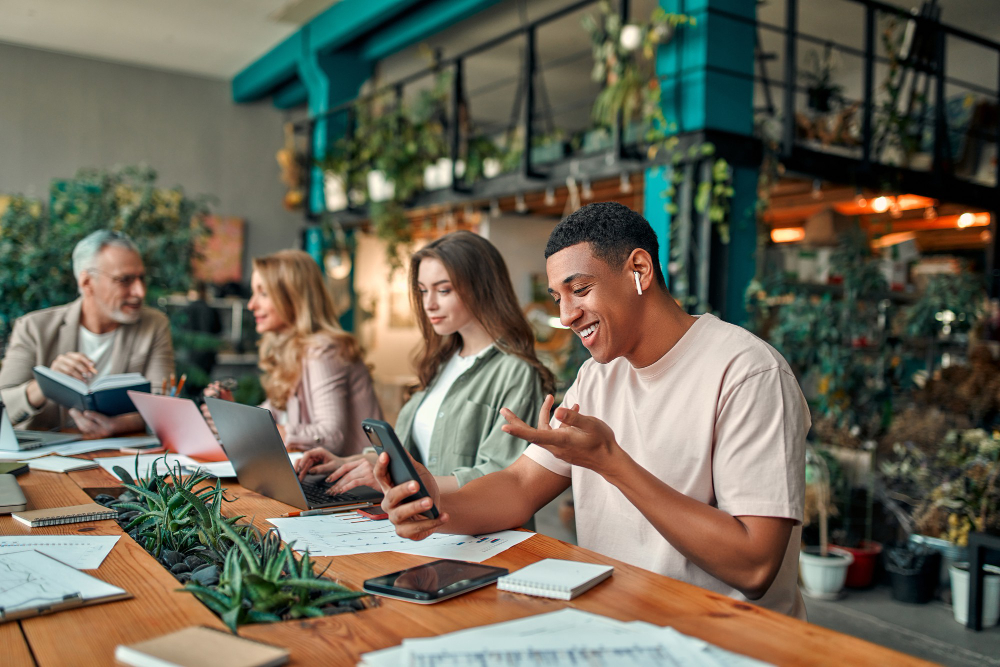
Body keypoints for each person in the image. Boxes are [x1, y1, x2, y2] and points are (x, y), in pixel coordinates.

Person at [374, 202, 810, 619]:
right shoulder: (597, 377)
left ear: (639, 270)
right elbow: (521, 486)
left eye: (579, 289)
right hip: (613, 623)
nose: (566, 315)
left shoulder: (748, 373)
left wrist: (611, 463)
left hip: (721, 640)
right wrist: (436, 503)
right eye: (557, 297)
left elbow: (754, 566)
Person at [294, 230, 555, 496]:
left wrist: (407, 484)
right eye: (422, 291)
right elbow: (409, 460)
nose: (429, 304)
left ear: (482, 288)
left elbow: (501, 477)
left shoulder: (516, 372)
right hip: (425, 524)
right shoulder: (442, 364)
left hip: (480, 532)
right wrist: (344, 463)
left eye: (443, 290)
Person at [202, 249, 382, 455]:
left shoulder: (324, 351)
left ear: (293, 298)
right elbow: (272, 417)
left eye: (263, 293)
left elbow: (331, 437)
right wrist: (230, 413)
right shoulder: (293, 350)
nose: (252, 304)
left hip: (353, 483)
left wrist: (249, 427)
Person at [0, 230, 174, 437]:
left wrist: (119, 425)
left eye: (141, 278)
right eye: (124, 280)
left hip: (115, 452)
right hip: (46, 455)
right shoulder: (33, 328)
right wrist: (46, 385)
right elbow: (5, 405)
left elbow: (165, 407)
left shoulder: (153, 325)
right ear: (87, 282)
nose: (140, 292)